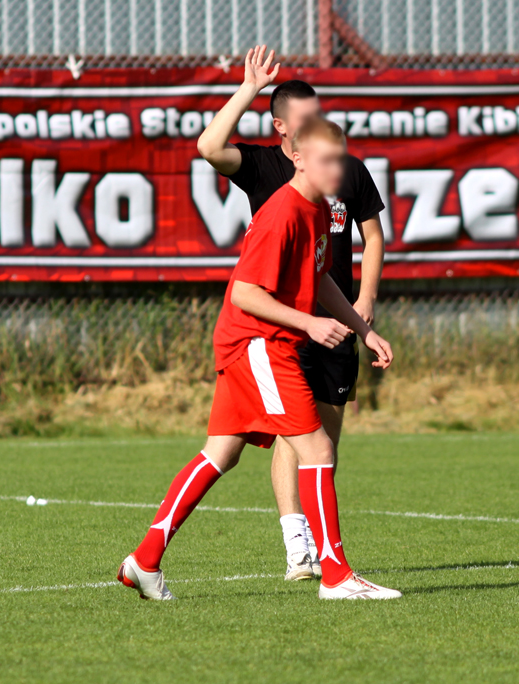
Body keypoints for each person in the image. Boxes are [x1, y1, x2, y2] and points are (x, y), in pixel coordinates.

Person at [117, 118, 401, 601]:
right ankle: (336, 576)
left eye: (342, 158)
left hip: (249, 343)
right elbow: (246, 293)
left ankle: (143, 562)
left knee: (220, 454)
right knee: (317, 451)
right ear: (299, 158)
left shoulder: (316, 211)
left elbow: (321, 281)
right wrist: (309, 323)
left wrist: (363, 329)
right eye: (328, 159)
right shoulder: (284, 212)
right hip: (258, 344)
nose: (340, 168)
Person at [197, 45, 387, 580]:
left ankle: (146, 558)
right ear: (283, 130)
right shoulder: (266, 171)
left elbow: (365, 243)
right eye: (305, 123)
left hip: (332, 320)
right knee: (298, 436)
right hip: (283, 326)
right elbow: (210, 145)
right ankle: (303, 548)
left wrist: (360, 312)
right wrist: (248, 88)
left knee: (315, 436)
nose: (317, 130)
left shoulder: (342, 173)